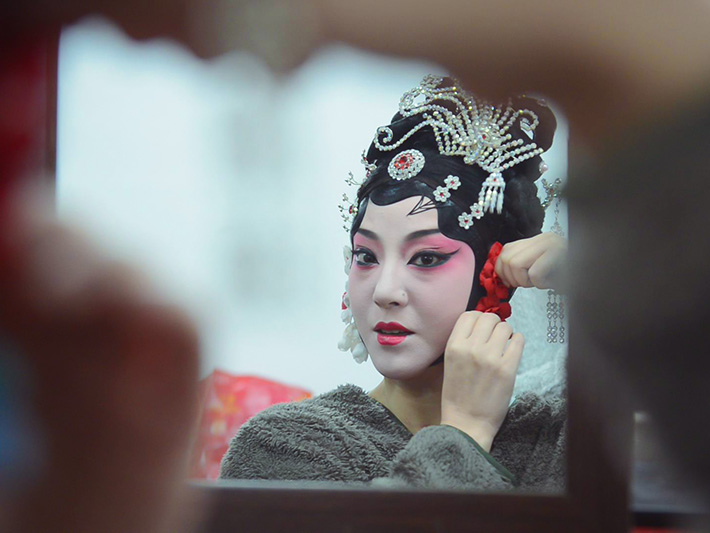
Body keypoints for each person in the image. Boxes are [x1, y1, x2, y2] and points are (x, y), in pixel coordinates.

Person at [219, 75, 567, 491]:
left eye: (426, 258)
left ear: (494, 274)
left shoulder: (556, 436)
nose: (385, 292)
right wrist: (465, 434)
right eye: (366, 257)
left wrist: (597, 286)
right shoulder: (285, 445)